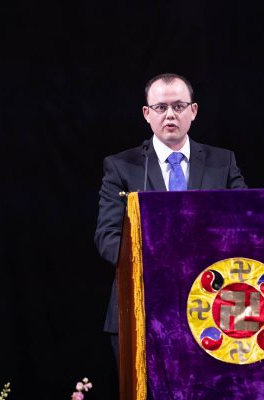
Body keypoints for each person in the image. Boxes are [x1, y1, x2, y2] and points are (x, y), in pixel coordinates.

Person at [94, 72, 247, 364]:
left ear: (194, 110)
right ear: (146, 114)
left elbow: (244, 224)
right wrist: (155, 263)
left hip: (213, 308)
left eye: (178, 106)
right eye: (160, 107)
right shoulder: (121, 166)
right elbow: (108, 237)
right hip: (143, 305)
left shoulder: (222, 162)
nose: (170, 115)